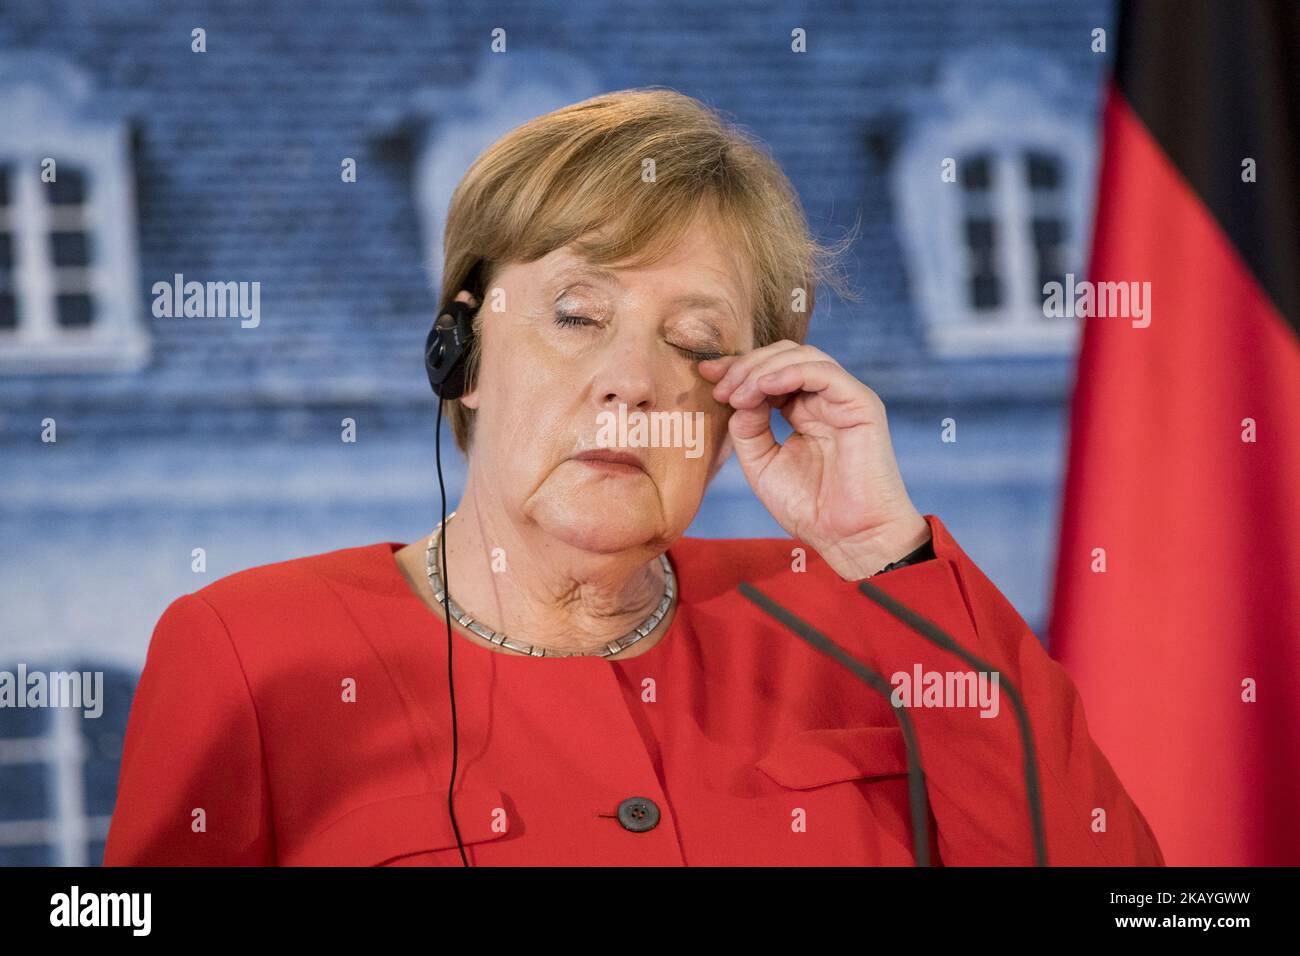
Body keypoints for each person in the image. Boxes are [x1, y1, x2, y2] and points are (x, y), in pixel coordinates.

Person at [103, 87, 1164, 866]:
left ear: (742, 397)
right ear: (463, 356)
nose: (629, 384)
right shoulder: (252, 650)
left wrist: (887, 551)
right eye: (576, 315)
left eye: (692, 339)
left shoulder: (861, 609)